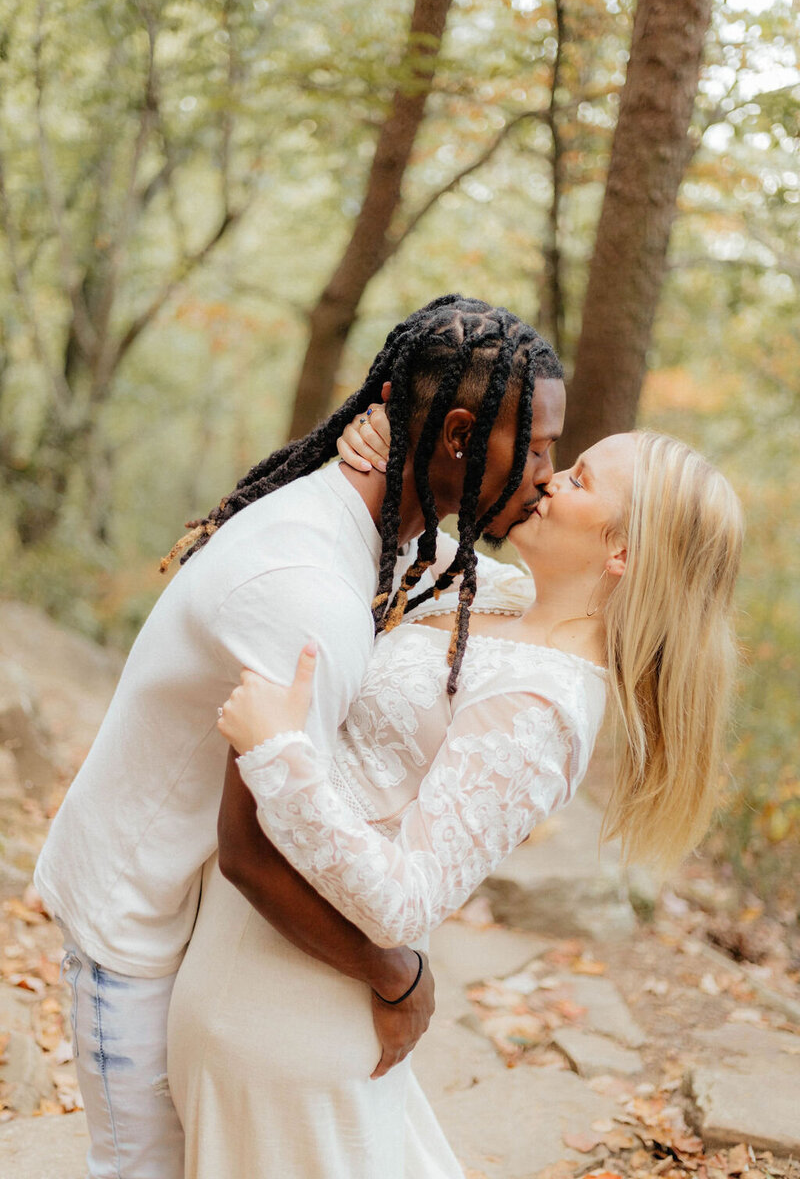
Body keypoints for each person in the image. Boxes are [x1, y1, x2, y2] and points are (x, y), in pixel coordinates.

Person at [33, 295, 566, 1177]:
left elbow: (484, 594)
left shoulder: (382, 526)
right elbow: (254, 849)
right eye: (539, 446)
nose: (549, 472)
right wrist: (398, 976)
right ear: (460, 438)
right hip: (133, 930)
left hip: (195, 920)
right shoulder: (306, 591)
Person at [167, 428, 743, 1178]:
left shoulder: (543, 705)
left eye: (579, 479)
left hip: (292, 1002)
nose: (548, 481)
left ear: (622, 554)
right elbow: (375, 531)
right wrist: (377, 440)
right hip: (243, 951)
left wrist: (280, 755)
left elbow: (403, 903)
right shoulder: (501, 596)